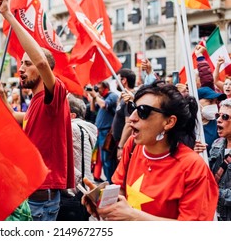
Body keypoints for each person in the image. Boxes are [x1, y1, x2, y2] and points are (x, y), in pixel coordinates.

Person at [82, 83, 218, 220]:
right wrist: (104, 201)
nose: (132, 118)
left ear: (169, 122)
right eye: (132, 108)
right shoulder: (133, 145)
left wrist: (134, 216)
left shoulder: (194, 167)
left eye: (143, 111)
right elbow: (121, 190)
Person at [0, 0, 74, 221]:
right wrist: (4, 102)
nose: (21, 68)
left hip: (40, 199)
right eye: (21, 63)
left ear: (44, 68)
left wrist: (8, 14)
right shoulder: (38, 101)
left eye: (27, 63)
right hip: (30, 194)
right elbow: (23, 118)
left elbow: (40, 60)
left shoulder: (54, 93)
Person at [57, 94, 97, 221]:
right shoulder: (86, 128)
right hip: (83, 188)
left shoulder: (73, 128)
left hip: (74, 191)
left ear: (72, 115)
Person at [89, 81, 118, 183]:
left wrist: (95, 96)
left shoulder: (112, 96)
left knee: (107, 160)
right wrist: (93, 97)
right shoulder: (101, 97)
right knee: (102, 159)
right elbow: (93, 109)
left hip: (107, 133)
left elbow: (104, 105)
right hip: (100, 132)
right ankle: (109, 180)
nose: (98, 90)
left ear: (106, 87)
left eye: (99, 88)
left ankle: (111, 181)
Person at [209, 98, 231, 220]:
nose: (218, 120)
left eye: (225, 117)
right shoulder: (216, 144)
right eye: (218, 115)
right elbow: (206, 174)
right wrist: (196, 155)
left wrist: (214, 193)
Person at [112, 68, 136, 164]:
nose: (116, 83)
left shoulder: (130, 98)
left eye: (117, 80)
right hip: (119, 141)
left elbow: (129, 123)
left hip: (125, 144)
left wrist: (121, 147)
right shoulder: (124, 97)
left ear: (124, 80)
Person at [198, 86, 226, 154]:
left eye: (216, 102)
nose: (214, 105)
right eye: (210, 101)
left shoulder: (219, 124)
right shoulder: (187, 125)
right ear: (197, 101)